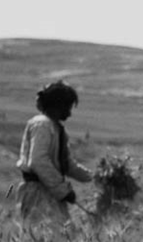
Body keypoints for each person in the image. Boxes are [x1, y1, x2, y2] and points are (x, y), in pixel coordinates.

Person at [16, 81, 92, 222]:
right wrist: (62, 190)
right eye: (67, 108)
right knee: (48, 236)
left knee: (63, 237)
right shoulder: (42, 125)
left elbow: (68, 165)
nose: (69, 113)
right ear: (57, 105)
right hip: (38, 193)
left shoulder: (56, 128)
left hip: (50, 191)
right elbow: (38, 161)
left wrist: (94, 177)